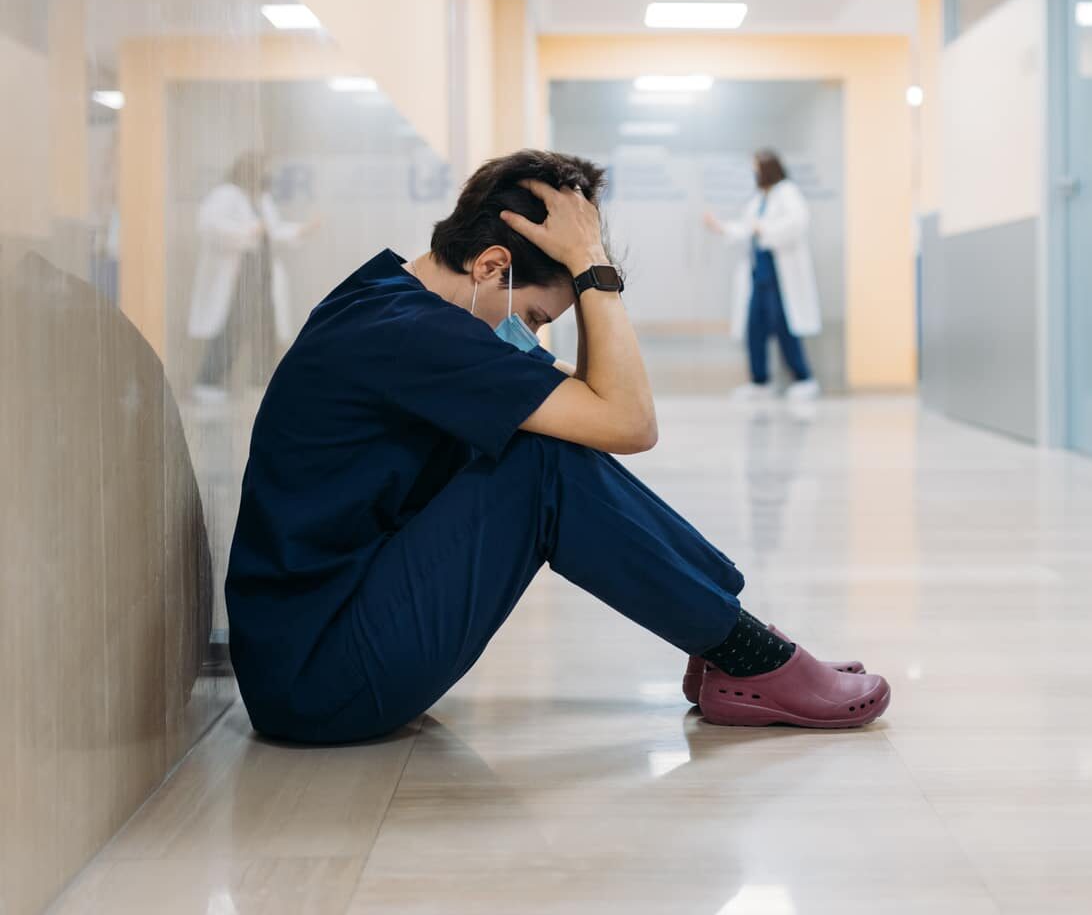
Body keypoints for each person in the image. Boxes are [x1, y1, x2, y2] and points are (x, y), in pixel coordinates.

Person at [224, 149, 887, 744]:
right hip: (318, 681)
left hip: (322, 647)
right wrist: (592, 268)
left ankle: (735, 642)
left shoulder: (399, 304)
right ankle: (742, 650)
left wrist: (584, 262)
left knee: (547, 441)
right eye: (538, 318)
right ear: (492, 267)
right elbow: (632, 422)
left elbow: (600, 404)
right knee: (540, 463)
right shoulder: (414, 335)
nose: (535, 338)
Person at [187, 151, 314, 402]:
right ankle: (208, 384)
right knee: (231, 328)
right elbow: (210, 225)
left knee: (265, 330)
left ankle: (261, 384)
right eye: (262, 169)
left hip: (261, 274)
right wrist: (248, 231)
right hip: (238, 274)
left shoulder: (261, 199)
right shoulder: (226, 195)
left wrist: (302, 229)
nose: (266, 175)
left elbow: (274, 231)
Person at [703, 149, 822, 402]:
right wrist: (721, 227)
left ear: (768, 168)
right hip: (760, 276)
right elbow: (747, 229)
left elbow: (797, 223)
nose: (753, 173)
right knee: (754, 328)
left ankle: (804, 378)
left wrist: (764, 228)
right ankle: (760, 381)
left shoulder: (787, 192)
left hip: (781, 276)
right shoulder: (760, 199)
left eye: (756, 168)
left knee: (785, 327)